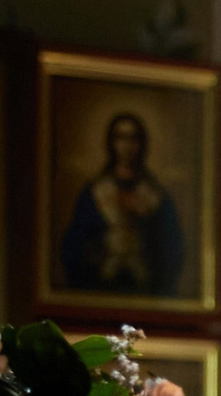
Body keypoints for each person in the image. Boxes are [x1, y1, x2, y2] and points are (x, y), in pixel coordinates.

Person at [60, 111, 185, 298]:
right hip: (101, 287)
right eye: (121, 138)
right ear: (112, 143)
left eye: (133, 139)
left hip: (144, 289)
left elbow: (171, 250)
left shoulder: (157, 197)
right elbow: (75, 245)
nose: (127, 146)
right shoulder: (94, 193)